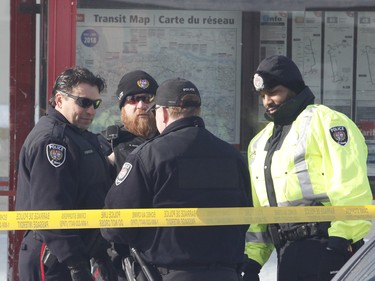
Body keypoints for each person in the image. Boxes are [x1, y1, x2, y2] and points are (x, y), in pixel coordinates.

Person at [101, 77, 252, 281]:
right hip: (227, 273)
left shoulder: (148, 156)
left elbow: (115, 226)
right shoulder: (233, 157)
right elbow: (245, 216)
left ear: (162, 113)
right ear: (197, 111)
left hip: (168, 273)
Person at [243, 55, 373, 281]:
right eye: (263, 96)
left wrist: (341, 241)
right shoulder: (260, 142)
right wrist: (253, 261)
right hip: (288, 251)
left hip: (328, 245)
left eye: (274, 92)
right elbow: (262, 209)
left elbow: (350, 184)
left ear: (293, 88)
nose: (267, 101)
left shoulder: (327, 122)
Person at [16, 66, 117, 281]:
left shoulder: (78, 137)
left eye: (95, 103)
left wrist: (99, 253)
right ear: (60, 100)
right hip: (54, 257)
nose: (91, 110)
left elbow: (91, 195)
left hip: (75, 253)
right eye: (83, 102)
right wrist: (76, 263)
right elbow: (51, 208)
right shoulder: (54, 141)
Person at [99, 70, 159, 280]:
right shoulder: (106, 144)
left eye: (148, 99)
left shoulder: (171, 141)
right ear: (122, 107)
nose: (141, 105)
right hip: (118, 255)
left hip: (162, 251)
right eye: (133, 100)